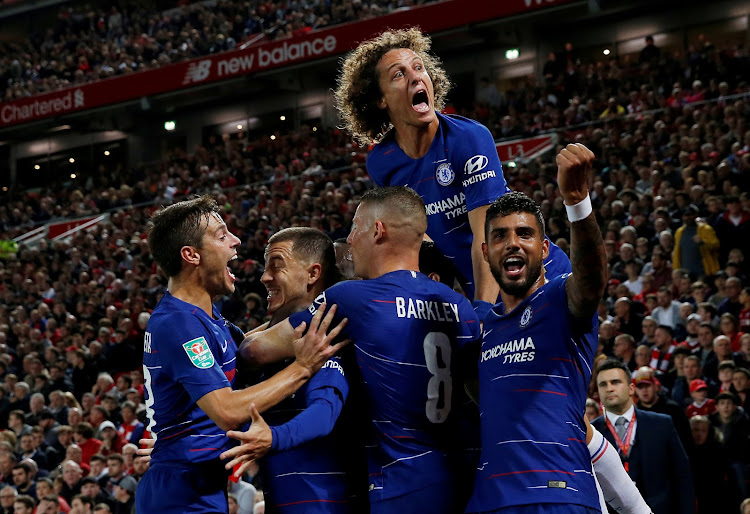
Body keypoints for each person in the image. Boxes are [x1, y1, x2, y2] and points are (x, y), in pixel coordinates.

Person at [241, 187, 481, 513]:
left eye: (355, 227)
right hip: (459, 479)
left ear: (377, 231)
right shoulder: (460, 306)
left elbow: (255, 351)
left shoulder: (355, 298)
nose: (350, 240)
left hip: (398, 482)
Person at [135, 196, 348, 514]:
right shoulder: (178, 323)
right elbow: (226, 410)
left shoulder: (211, 322)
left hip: (196, 485)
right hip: (181, 494)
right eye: (222, 236)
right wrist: (303, 367)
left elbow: (257, 343)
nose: (235, 241)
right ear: (191, 255)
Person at [334, 27, 570, 306]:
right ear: (380, 99)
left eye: (419, 67)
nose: (415, 77)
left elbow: (487, 237)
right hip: (483, 291)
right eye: (399, 74)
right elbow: (419, 244)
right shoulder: (381, 162)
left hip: (538, 278)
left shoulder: (468, 138)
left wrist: (483, 313)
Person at [465, 143, 607, 514]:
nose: (512, 243)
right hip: (488, 500)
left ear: (545, 249)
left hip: (558, 494)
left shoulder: (560, 300)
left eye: (524, 234)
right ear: (485, 252)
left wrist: (577, 203)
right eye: (500, 236)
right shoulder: (481, 326)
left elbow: (591, 281)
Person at [225, 227, 362, 512]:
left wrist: (273, 438)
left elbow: (324, 412)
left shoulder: (324, 341)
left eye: (276, 266)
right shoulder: (280, 350)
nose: (264, 277)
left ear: (313, 274)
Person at [593, 360, 695, 514]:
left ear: (631, 388)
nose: (609, 388)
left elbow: (682, 476)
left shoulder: (662, 424)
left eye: (615, 382)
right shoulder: (592, 433)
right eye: (603, 384)